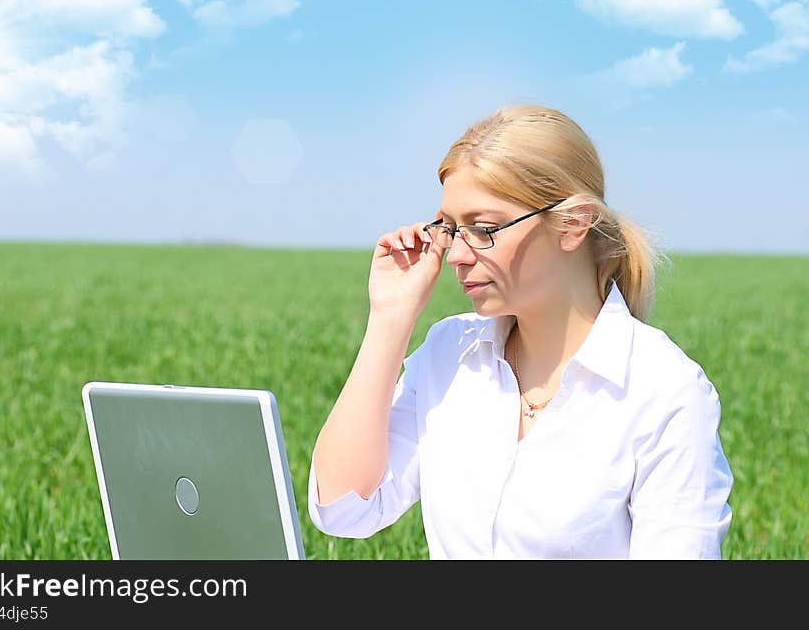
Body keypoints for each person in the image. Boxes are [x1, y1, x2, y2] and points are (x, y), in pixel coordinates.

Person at [307, 104, 734, 559]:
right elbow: (343, 509)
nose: (456, 255)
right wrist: (390, 317)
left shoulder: (665, 392)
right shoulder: (448, 356)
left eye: (484, 229)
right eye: (452, 229)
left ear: (573, 224)